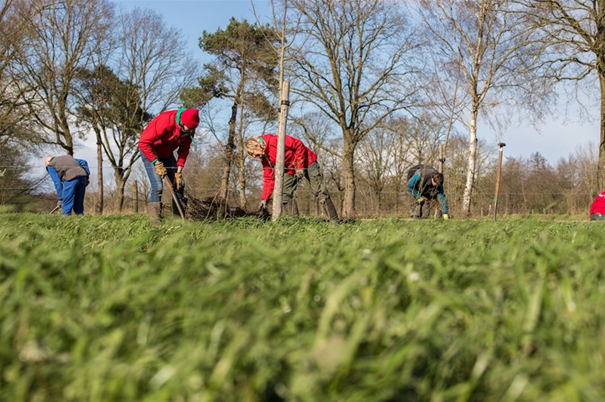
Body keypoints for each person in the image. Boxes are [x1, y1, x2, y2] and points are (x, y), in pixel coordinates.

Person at [244, 134, 339, 221]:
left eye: (253, 153)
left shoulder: (274, 140)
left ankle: (334, 221)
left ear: (257, 146)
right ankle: (295, 222)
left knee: (319, 191)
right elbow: (269, 178)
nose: (254, 156)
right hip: (290, 169)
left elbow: (298, 145)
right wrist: (264, 198)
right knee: (284, 194)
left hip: (307, 162)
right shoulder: (264, 158)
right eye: (251, 155)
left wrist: (299, 165)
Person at [138, 108, 199, 224]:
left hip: (166, 154)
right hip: (150, 151)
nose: (191, 131)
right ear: (182, 122)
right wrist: (156, 162)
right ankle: (155, 223)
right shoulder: (165, 121)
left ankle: (178, 222)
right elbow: (143, 143)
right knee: (158, 187)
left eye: (193, 129)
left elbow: (184, 149)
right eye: (190, 128)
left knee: (179, 184)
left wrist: (179, 169)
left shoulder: (190, 129)